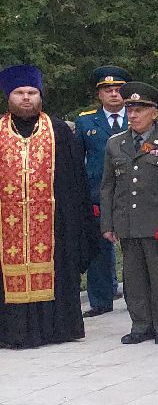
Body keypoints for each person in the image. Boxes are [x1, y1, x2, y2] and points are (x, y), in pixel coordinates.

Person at [0, 65, 94, 350]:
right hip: (6, 227)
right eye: (19, 93)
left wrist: (76, 225)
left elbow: (75, 182)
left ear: (40, 96)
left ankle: (55, 329)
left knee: (57, 271)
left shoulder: (59, 131)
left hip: (54, 227)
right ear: (8, 97)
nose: (26, 98)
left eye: (32, 92)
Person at [100, 83, 158, 344]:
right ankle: (140, 325)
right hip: (128, 222)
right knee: (133, 278)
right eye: (130, 110)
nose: (133, 115)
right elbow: (108, 187)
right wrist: (108, 223)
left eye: (139, 110)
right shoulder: (116, 144)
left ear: (155, 113)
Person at [74, 65, 131, 318]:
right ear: (99, 94)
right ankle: (100, 300)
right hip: (98, 193)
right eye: (108, 90)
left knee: (135, 247)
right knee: (99, 248)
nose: (114, 94)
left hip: (133, 192)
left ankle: (136, 296)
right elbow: (78, 160)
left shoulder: (138, 116)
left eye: (119, 89)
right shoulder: (86, 121)